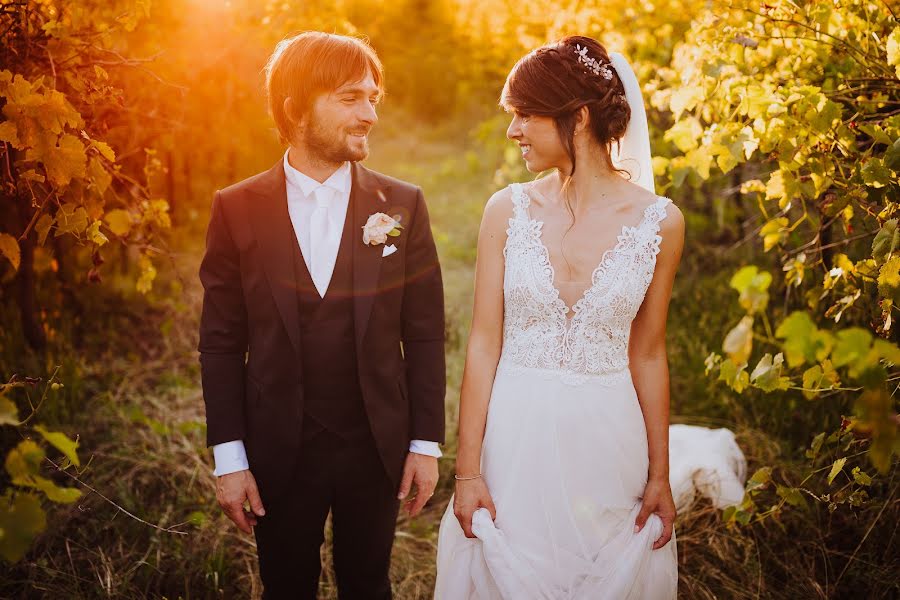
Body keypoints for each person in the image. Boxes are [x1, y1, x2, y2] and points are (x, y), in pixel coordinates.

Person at [197, 32, 446, 599]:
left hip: (375, 444)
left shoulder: (401, 205)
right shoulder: (235, 208)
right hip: (278, 449)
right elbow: (220, 340)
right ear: (295, 108)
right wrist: (229, 459)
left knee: (368, 583)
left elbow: (426, 333)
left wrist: (425, 445)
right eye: (350, 98)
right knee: (286, 586)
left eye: (373, 98)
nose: (369, 115)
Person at [434, 36, 684, 598]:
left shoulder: (660, 224)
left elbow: (648, 352)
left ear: (580, 116)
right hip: (514, 437)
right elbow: (481, 345)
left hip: (608, 440)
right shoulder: (506, 211)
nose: (512, 130)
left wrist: (660, 475)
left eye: (525, 115)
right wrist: (468, 472)